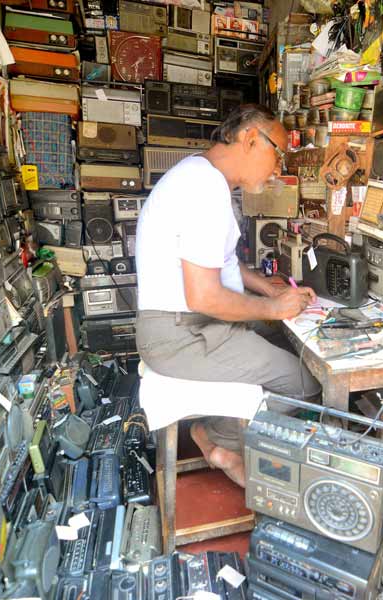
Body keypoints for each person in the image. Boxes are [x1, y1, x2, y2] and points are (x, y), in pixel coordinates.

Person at [135, 104, 321, 486]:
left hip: (190, 329)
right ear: (251, 138)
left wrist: (262, 286)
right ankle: (221, 440)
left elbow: (217, 264)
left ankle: (216, 434)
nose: (277, 169)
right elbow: (204, 296)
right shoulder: (203, 188)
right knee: (307, 385)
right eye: (278, 154)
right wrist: (273, 306)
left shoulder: (201, 178)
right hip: (185, 334)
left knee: (282, 344)